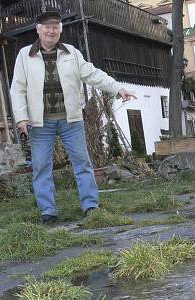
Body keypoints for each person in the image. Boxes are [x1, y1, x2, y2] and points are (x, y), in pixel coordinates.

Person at [10, 10, 136, 224]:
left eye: (56, 27)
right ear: (38, 30)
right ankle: (47, 211)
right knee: (41, 166)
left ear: (60, 31)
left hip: (71, 120)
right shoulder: (25, 55)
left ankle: (90, 207)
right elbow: (17, 89)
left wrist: (117, 89)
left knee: (82, 163)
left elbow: (93, 74)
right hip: (40, 122)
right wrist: (22, 118)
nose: (52, 31)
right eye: (47, 27)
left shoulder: (72, 53)